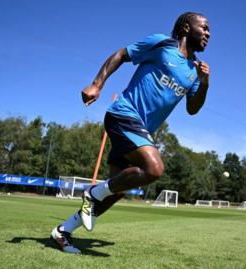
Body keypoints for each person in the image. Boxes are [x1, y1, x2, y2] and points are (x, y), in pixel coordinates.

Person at [50, 12, 211, 254]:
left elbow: (193, 109)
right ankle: (93, 192)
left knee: (117, 190)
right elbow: (122, 54)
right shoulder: (162, 44)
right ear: (187, 28)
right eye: (205, 28)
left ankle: (63, 231)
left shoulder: (195, 71)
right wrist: (97, 83)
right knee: (154, 169)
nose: (208, 34)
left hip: (139, 131)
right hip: (124, 114)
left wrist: (204, 83)